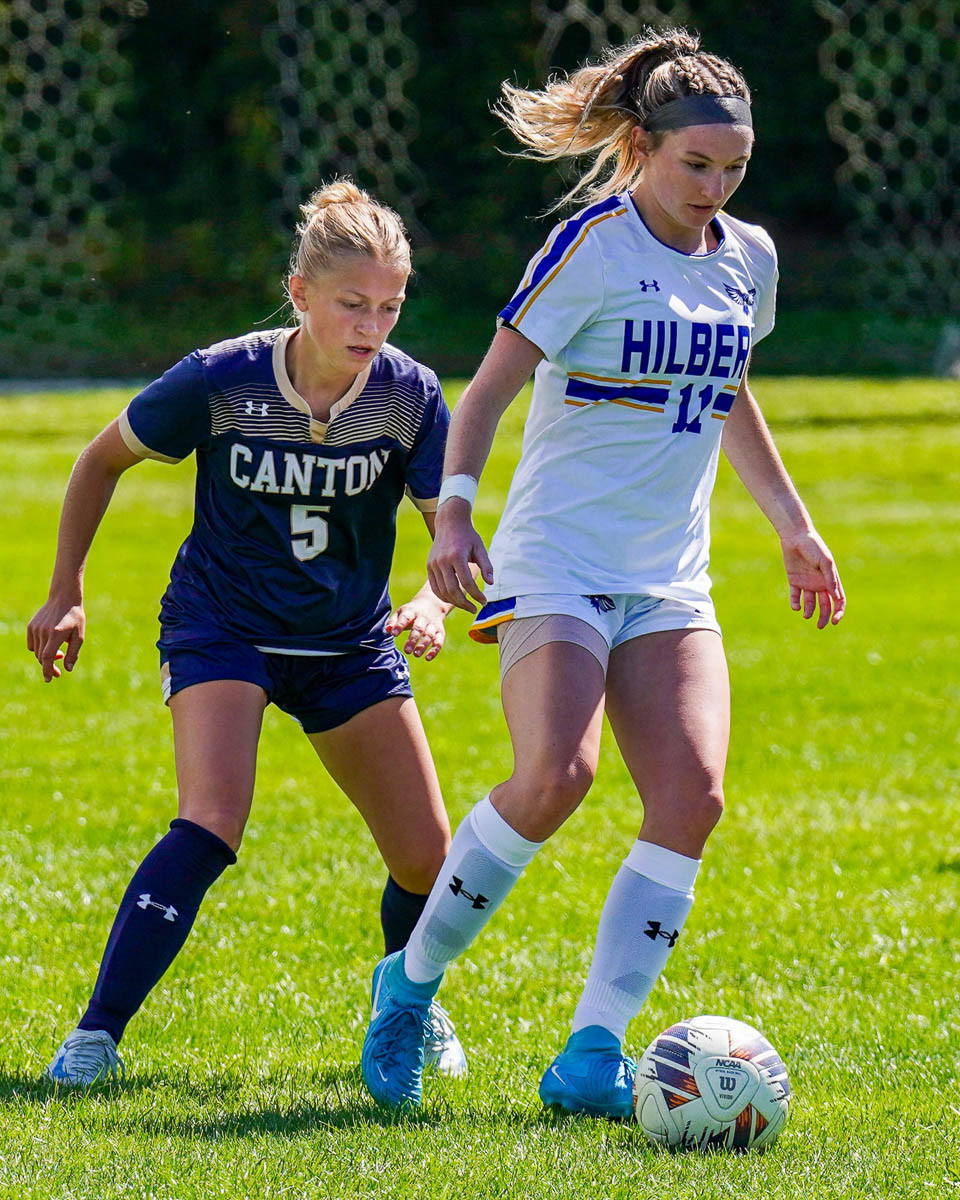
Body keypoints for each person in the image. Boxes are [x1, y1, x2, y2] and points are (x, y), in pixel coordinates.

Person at [360, 28, 845, 1114]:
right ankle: (409, 986)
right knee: (554, 778)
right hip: (560, 561)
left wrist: (793, 527)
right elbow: (487, 391)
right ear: (644, 148)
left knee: (693, 798)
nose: (714, 188)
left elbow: (729, 389)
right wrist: (454, 515)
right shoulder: (590, 248)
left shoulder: (749, 257)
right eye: (695, 165)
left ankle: (592, 1053)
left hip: (669, 575)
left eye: (734, 168)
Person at [28, 180, 467, 1088]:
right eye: (352, 304)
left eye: (390, 306)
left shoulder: (411, 396)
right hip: (222, 624)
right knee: (213, 820)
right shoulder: (221, 378)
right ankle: (96, 1035)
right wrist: (66, 591)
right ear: (299, 293)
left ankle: (406, 1008)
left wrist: (430, 605)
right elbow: (99, 461)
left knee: (430, 857)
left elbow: (448, 540)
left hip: (347, 641)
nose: (372, 326)